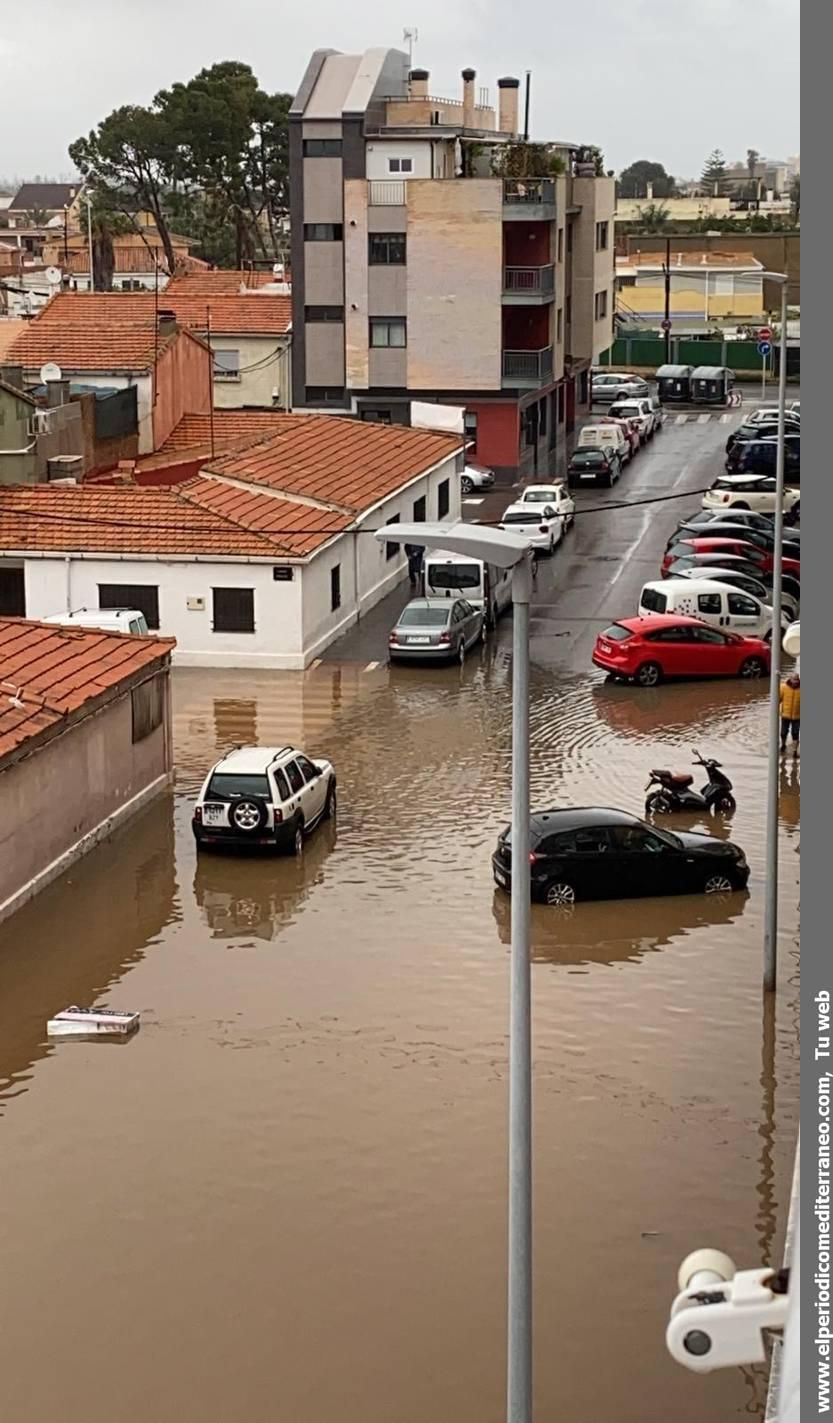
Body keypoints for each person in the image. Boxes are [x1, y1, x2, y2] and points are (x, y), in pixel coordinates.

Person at [779, 673, 800, 756]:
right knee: (783, 732)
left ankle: (795, 751)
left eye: (797, 679)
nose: (795, 681)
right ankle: (783, 744)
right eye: (794, 679)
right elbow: (778, 699)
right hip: (785, 715)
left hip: (797, 716)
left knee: (795, 733)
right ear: (790, 679)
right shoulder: (783, 687)